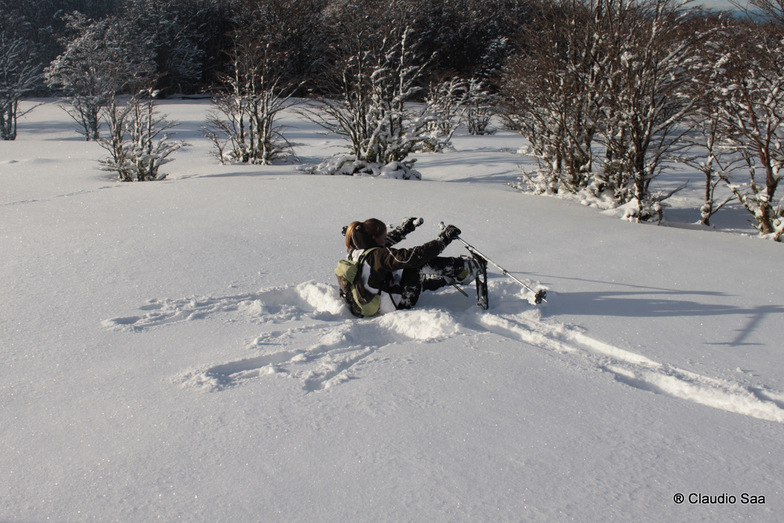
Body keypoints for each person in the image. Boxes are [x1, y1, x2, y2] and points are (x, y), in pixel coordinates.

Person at [342, 217, 478, 315]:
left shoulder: (355, 250)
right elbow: (414, 256)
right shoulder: (378, 255)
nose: (386, 239)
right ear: (373, 237)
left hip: (366, 300)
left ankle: (441, 280)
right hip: (398, 304)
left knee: (408, 274)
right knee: (416, 265)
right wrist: (443, 240)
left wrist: (403, 230)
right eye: (383, 236)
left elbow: (383, 243)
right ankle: (465, 270)